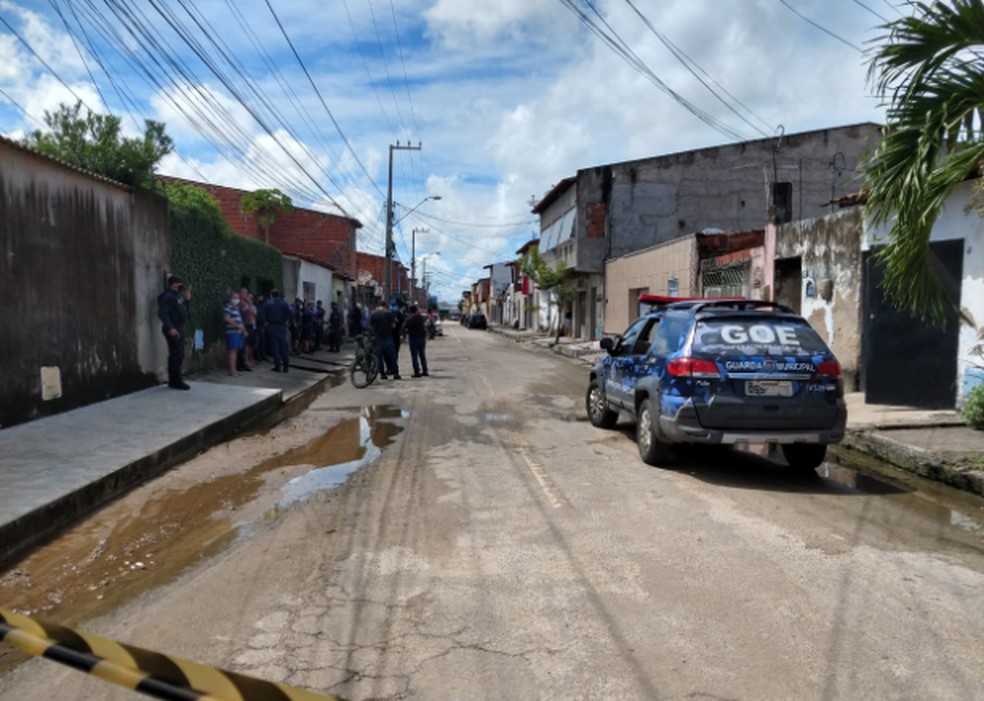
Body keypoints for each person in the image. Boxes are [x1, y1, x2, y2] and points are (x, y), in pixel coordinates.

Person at [157, 274, 192, 390]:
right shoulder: (167, 296)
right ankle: (175, 381)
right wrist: (171, 328)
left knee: (179, 354)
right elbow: (163, 313)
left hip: (179, 327)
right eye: (180, 283)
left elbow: (185, 312)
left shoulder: (176, 297)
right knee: (176, 354)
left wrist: (187, 300)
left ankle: (175, 379)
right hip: (173, 327)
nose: (182, 286)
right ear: (175, 284)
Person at [261, 290, 292, 373]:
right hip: (281, 326)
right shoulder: (284, 304)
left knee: (275, 348)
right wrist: (288, 322)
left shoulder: (268, 304)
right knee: (283, 347)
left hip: (271, 326)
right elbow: (290, 313)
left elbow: (261, 313)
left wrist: (264, 323)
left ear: (271, 295)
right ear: (278, 295)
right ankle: (286, 366)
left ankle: (277, 366)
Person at [369, 302, 400, 380]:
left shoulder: (373, 314)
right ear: (385, 306)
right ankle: (395, 373)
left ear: (378, 306)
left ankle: (382, 374)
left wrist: (375, 331)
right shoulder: (389, 313)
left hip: (377, 338)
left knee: (379, 357)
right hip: (388, 337)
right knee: (392, 356)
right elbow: (393, 326)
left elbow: (370, 326)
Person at [223, 291, 249, 376]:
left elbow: (240, 320)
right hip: (232, 332)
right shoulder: (228, 307)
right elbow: (226, 319)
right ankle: (232, 371)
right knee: (232, 351)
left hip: (238, 332)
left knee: (235, 351)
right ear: (230, 299)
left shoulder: (236, 308)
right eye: (234, 298)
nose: (236, 300)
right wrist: (238, 326)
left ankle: (234, 369)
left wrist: (244, 330)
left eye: (237, 298)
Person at [402, 304, 429, 378]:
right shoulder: (420, 318)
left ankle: (417, 371)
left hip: (413, 338)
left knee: (414, 356)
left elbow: (404, 326)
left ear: (410, 311)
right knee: (422, 355)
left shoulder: (409, 319)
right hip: (421, 338)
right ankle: (425, 370)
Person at [238, 287, 257, 370]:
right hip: (244, 324)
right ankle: (245, 361)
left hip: (251, 324)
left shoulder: (248, 303)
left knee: (250, 343)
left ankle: (249, 358)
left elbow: (254, 313)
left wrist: (249, 303)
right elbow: (248, 310)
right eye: (243, 293)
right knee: (245, 344)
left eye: (246, 293)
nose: (245, 295)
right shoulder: (240, 303)